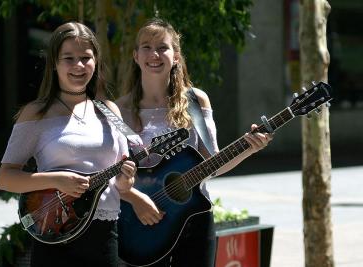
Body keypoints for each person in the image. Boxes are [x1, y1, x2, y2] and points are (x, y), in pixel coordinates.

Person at [115, 18, 273, 267]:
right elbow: (110, 172)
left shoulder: (196, 101)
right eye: (146, 46)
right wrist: (136, 199)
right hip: (139, 220)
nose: (154, 54)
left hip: (194, 217)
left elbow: (213, 163)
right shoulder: (119, 110)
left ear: (176, 56)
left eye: (162, 47)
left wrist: (248, 148)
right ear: (135, 56)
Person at [0, 22, 136, 267]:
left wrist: (126, 179)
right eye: (69, 58)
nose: (79, 66)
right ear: (54, 63)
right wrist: (56, 179)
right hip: (53, 234)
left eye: (86, 57)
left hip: (104, 236)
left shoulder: (110, 111)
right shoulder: (36, 113)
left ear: (96, 61)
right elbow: (5, 178)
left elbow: (123, 184)